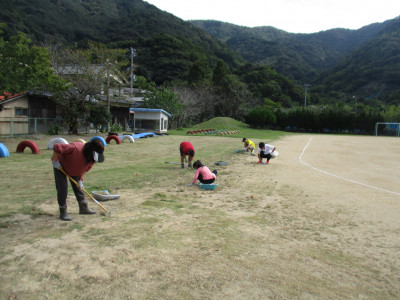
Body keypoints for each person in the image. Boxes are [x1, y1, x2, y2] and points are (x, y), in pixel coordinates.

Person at [51, 139, 105, 221]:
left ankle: (83, 207)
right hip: (60, 167)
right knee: (62, 188)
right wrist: (55, 160)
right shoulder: (75, 148)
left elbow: (83, 169)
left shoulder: (92, 159)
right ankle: (63, 211)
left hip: (75, 169)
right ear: (91, 151)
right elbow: (57, 146)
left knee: (79, 188)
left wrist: (80, 180)